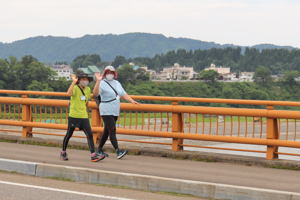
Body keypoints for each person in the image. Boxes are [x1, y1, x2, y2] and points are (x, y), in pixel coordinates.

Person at [93, 66, 139, 159]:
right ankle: (118, 151)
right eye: (108, 72)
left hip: (115, 110)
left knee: (107, 131)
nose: (110, 74)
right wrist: (98, 81)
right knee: (112, 130)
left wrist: (131, 101)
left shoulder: (117, 83)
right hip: (106, 109)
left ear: (114, 74)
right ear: (105, 73)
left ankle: (99, 150)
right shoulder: (102, 83)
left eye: (112, 72)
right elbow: (95, 93)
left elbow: (123, 94)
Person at [60, 72, 105, 162]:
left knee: (89, 134)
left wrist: (98, 81)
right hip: (74, 116)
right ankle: (63, 152)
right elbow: (68, 93)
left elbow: (89, 99)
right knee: (69, 134)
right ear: (79, 81)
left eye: (86, 80)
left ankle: (93, 155)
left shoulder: (88, 89)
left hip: (84, 116)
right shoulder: (75, 88)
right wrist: (73, 82)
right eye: (83, 79)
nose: (85, 81)